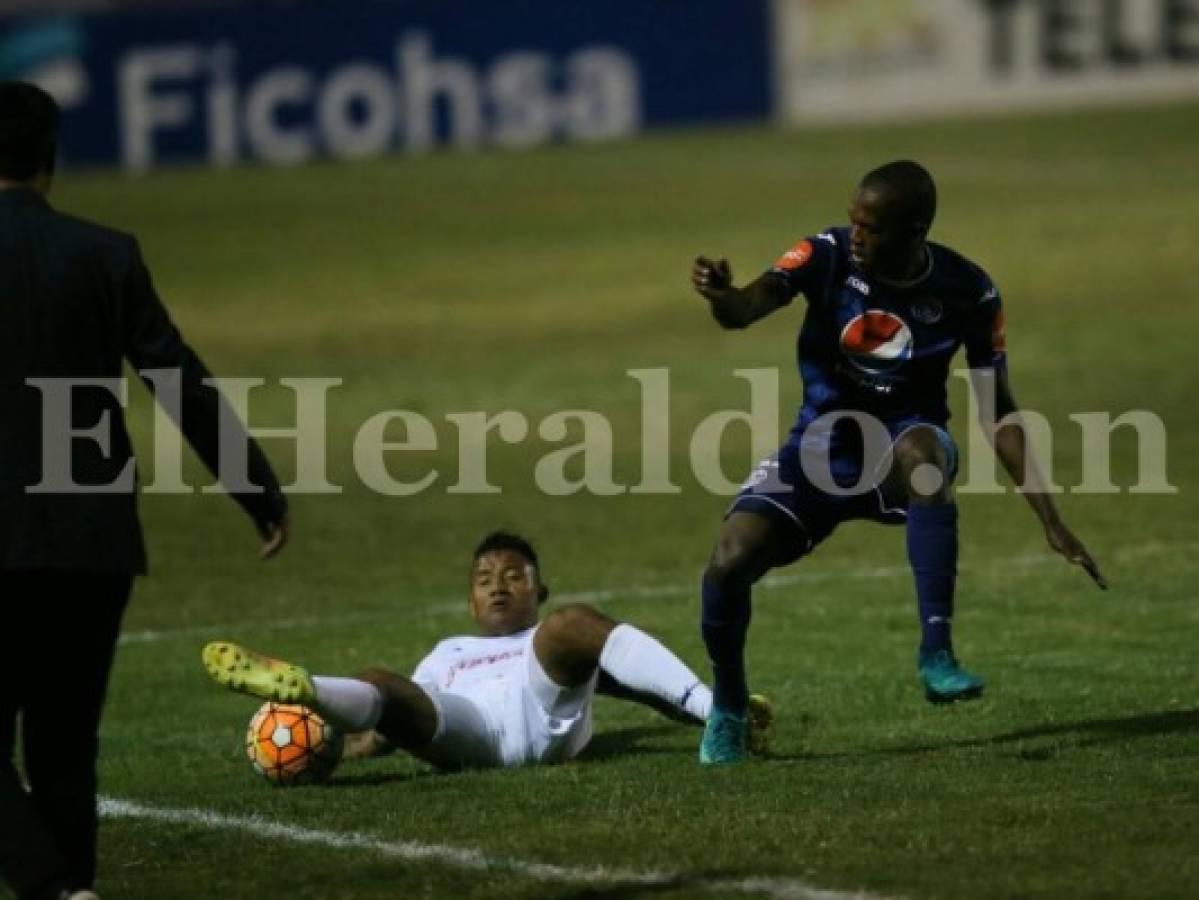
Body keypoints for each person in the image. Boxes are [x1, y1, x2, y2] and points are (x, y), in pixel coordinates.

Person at [690, 160, 1106, 765]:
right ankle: (728, 709)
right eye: (854, 220)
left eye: (871, 226)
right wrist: (723, 296)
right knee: (728, 561)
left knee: (923, 451)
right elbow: (746, 308)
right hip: (818, 449)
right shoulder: (824, 254)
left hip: (903, 449)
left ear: (914, 232)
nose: (855, 234)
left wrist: (1049, 516)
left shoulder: (970, 292)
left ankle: (937, 653)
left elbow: (999, 410)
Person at [0, 81, 289, 900]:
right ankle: (71, 888)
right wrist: (256, 489)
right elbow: (178, 381)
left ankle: (52, 887)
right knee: (65, 747)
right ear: (50, 159)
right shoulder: (105, 253)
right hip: (93, 542)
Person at [204, 531, 770, 770]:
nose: (498, 586)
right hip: (466, 731)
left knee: (574, 622)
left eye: (513, 577)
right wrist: (336, 751)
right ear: (472, 602)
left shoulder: (548, 639)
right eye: (484, 579)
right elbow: (401, 718)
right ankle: (308, 688)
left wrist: (702, 708)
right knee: (381, 680)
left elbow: (646, 690)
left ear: (536, 590)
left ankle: (721, 709)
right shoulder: (448, 650)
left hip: (541, 707)